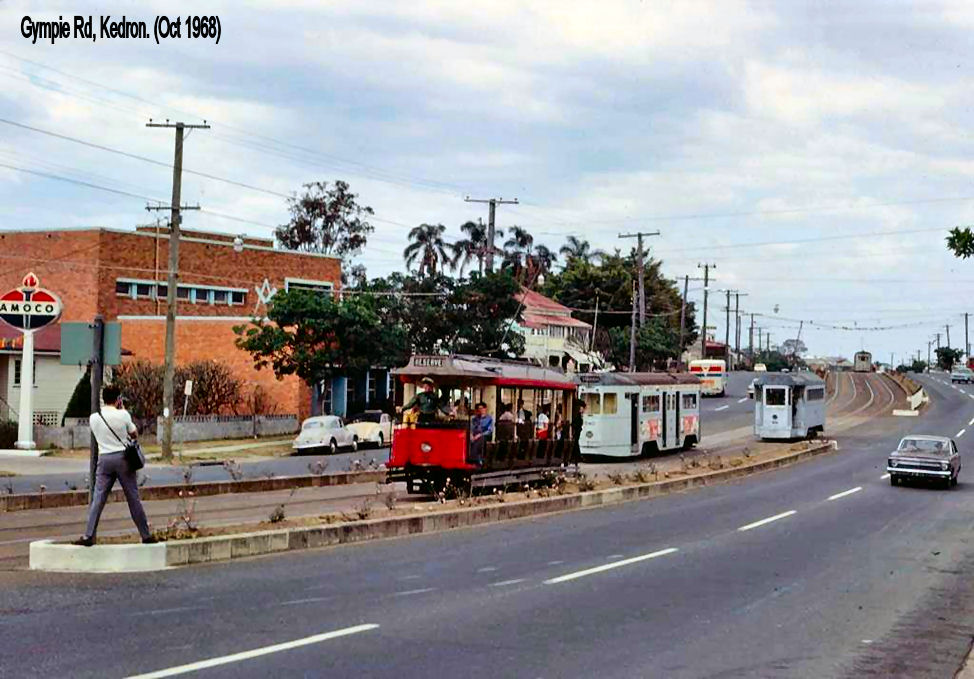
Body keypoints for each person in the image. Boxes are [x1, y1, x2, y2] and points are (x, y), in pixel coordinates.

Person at [73, 385, 155, 546]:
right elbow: (134, 434)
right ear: (118, 399)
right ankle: (145, 535)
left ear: (103, 398)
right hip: (123, 459)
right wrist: (122, 411)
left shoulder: (94, 418)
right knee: (133, 497)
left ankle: (89, 535)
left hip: (104, 460)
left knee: (98, 498)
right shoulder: (123, 415)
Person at [469, 402, 494, 466]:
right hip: (475, 435)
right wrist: (471, 435)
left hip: (484, 435)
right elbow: (471, 428)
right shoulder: (474, 419)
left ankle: (477, 458)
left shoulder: (489, 418)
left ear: (485, 409)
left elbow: (490, 430)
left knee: (480, 439)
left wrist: (480, 435)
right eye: (478, 409)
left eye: (481, 408)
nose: (480, 410)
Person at [570, 401, 587, 465]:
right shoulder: (578, 415)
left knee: (575, 443)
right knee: (576, 443)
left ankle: (576, 457)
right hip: (577, 430)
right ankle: (577, 457)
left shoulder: (578, 415)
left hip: (577, 430)